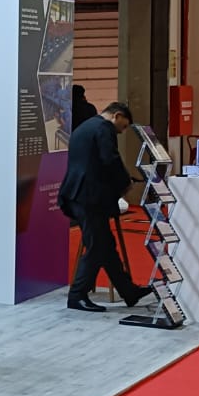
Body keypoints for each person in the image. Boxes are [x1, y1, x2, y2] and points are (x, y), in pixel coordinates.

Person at [58, 101, 154, 313]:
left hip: (77, 194)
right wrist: (124, 183)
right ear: (116, 116)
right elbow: (110, 159)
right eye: (123, 126)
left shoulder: (85, 127)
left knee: (105, 245)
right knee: (97, 246)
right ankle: (77, 295)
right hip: (89, 197)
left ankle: (128, 291)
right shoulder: (103, 129)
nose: (121, 131)